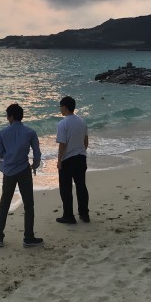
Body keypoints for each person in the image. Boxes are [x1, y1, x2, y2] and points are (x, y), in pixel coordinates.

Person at [0, 103, 44, 248]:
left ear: (10, 117)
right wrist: (35, 165)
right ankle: (28, 237)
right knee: (28, 204)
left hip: (8, 171)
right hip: (24, 170)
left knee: (4, 203)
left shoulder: (3, 133)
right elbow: (37, 153)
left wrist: (9, 157)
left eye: (7, 115)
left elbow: (0, 153)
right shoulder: (30, 132)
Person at [55, 96, 90, 224]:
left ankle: (68, 216)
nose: (60, 109)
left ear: (64, 107)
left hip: (68, 159)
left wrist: (59, 160)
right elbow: (86, 141)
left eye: (60, 107)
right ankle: (84, 214)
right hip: (81, 157)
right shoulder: (82, 121)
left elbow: (62, 144)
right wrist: (82, 151)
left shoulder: (62, 124)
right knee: (81, 186)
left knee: (66, 188)